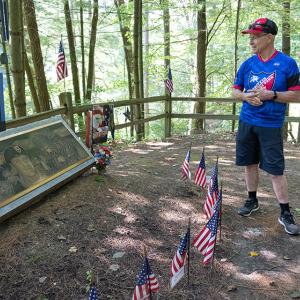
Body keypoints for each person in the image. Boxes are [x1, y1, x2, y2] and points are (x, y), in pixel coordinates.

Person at [232, 18, 300, 235]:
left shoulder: (288, 64)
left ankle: (285, 213)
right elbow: (234, 91)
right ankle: (252, 200)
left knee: (275, 170)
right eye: (250, 36)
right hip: (247, 121)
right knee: (249, 163)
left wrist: (272, 95)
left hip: (270, 124)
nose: (251, 41)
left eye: (255, 36)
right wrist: (244, 96)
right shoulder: (247, 64)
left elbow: (297, 95)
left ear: (269, 37)